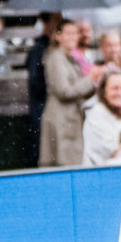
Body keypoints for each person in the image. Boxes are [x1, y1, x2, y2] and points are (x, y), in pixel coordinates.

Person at [38, 17, 93, 166]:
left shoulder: (70, 58)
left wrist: (96, 82)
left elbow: (80, 91)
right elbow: (64, 91)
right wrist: (91, 79)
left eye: (75, 33)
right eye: (68, 33)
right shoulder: (55, 57)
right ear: (58, 36)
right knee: (63, 165)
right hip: (61, 120)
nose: (73, 37)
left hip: (70, 120)